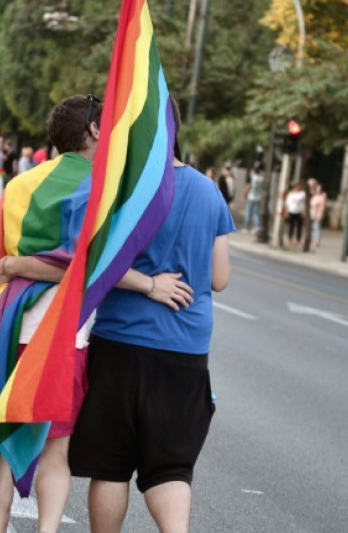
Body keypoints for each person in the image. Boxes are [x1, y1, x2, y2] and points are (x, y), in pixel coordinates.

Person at [0, 94, 191, 533]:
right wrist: (151, 285)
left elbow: (0, 260)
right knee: (56, 450)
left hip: (11, 325)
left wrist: (18, 265)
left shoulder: (20, 184)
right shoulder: (101, 188)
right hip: (63, 337)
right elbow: (87, 267)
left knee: (4, 442)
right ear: (94, 130)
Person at [69, 96, 234, 533]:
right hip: (185, 349)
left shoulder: (123, 187)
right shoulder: (208, 190)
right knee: (171, 468)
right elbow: (220, 278)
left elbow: (93, 261)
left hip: (120, 341)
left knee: (111, 465)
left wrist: (146, 281)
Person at [242, 162, 264, 232]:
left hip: (251, 197)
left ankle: (246, 227)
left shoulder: (252, 177)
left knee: (248, 212)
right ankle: (256, 226)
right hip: (258, 197)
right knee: (256, 213)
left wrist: (244, 195)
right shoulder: (261, 178)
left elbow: (248, 186)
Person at [284, 180, 306, 246]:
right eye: (296, 186)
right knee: (291, 226)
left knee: (299, 226)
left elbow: (304, 203)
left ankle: (298, 239)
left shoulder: (302, 193)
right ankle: (289, 238)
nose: (297, 187)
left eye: (298, 186)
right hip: (291, 211)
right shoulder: (290, 193)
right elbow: (287, 203)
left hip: (299, 211)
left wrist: (303, 212)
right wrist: (286, 211)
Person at [308, 178, 327, 249]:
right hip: (312, 213)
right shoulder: (315, 195)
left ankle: (316, 241)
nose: (317, 189)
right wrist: (312, 185)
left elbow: (322, 206)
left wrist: (321, 214)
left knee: (317, 227)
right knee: (313, 228)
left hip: (318, 213)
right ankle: (313, 240)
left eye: (319, 188)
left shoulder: (323, 196)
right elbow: (311, 190)